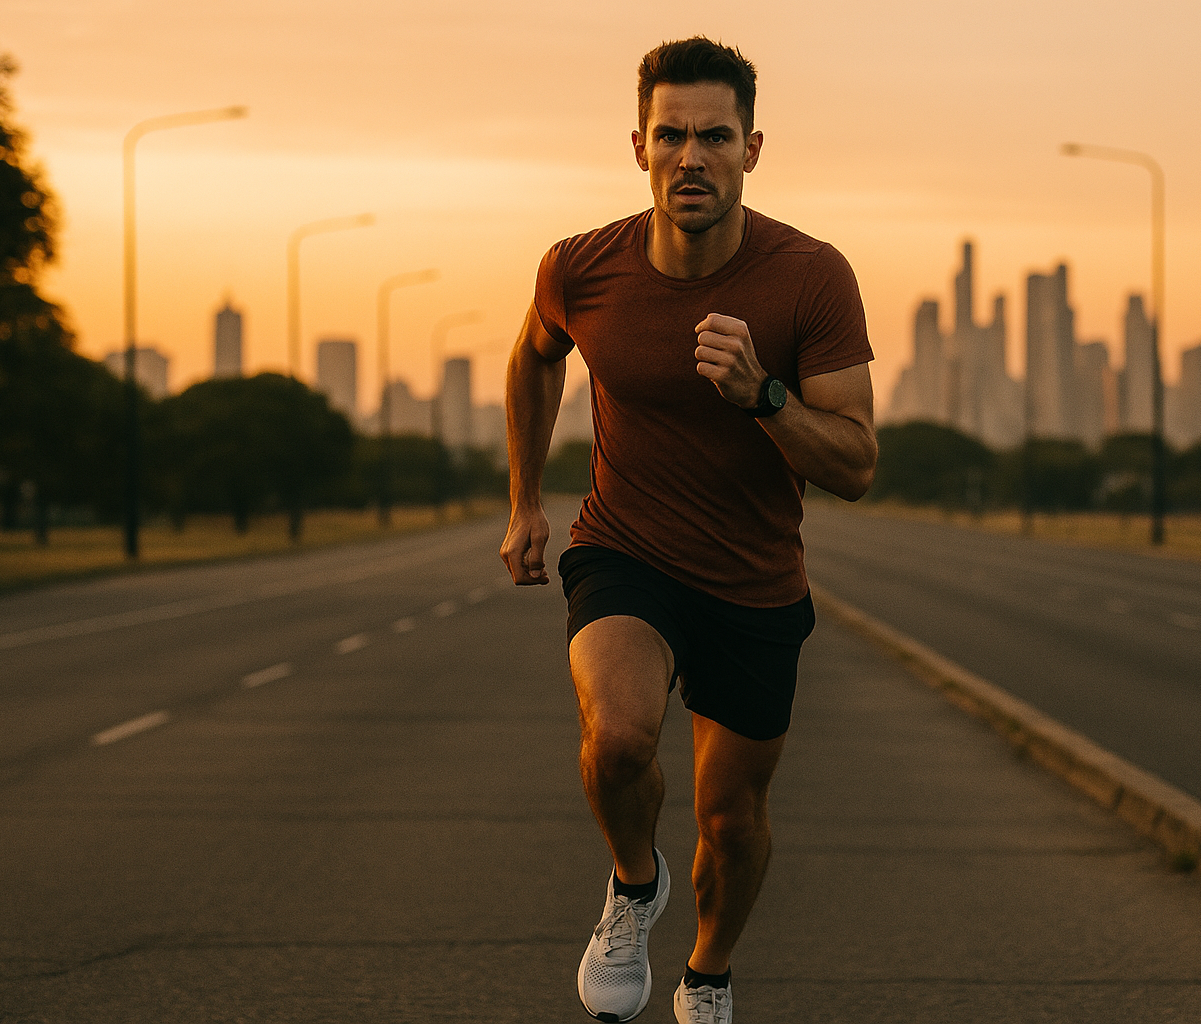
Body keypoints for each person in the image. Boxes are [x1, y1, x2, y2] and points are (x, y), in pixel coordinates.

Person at [500, 36, 876, 1024]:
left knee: (731, 820)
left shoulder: (811, 278)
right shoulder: (582, 267)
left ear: (753, 147)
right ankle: (633, 886)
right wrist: (523, 499)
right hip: (625, 549)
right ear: (638, 146)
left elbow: (856, 464)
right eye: (671, 135)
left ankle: (707, 972)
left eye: (715, 135)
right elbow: (536, 356)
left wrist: (764, 395)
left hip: (755, 581)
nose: (691, 156)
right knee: (618, 741)